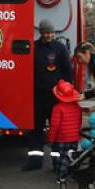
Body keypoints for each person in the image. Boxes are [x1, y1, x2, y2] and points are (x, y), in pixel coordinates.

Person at [23, 20, 74, 171]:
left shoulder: (60, 48)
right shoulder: (34, 47)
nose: (49, 35)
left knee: (56, 130)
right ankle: (35, 161)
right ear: (41, 33)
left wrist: (67, 91)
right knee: (36, 129)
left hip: (55, 97)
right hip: (37, 96)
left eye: (51, 33)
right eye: (46, 33)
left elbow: (67, 71)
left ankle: (57, 164)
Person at [46, 80, 84, 181]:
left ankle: (62, 176)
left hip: (61, 139)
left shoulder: (57, 108)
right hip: (75, 137)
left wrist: (51, 139)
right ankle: (73, 174)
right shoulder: (77, 106)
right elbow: (79, 122)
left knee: (62, 157)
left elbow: (54, 125)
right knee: (73, 156)